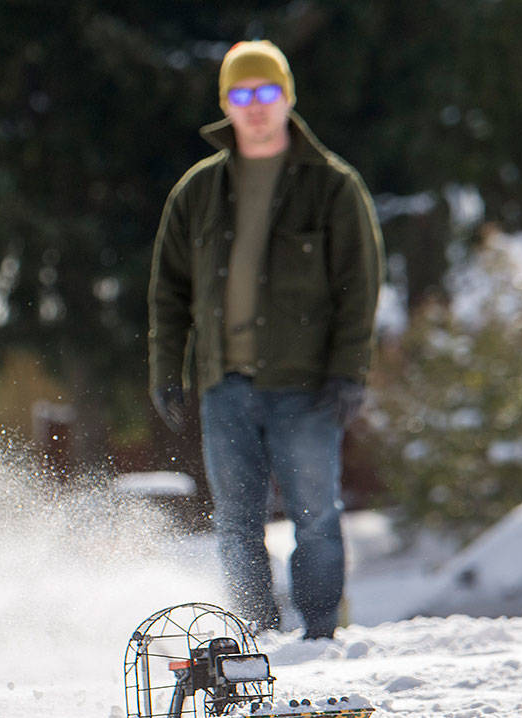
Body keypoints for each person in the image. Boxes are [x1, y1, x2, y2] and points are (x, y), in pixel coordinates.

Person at [147, 41, 382, 640]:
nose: (256, 106)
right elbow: (168, 294)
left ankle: (322, 633)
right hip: (224, 384)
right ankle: (260, 638)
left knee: (317, 517)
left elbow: (360, 289)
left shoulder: (332, 187)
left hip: (305, 385)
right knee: (235, 523)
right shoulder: (196, 192)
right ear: (227, 103)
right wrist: (166, 371)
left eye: (267, 92)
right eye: (243, 94)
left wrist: (350, 372)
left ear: (288, 98)